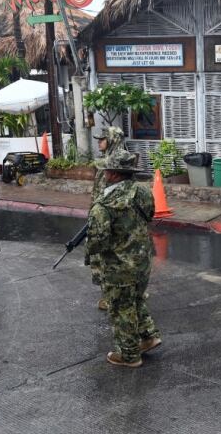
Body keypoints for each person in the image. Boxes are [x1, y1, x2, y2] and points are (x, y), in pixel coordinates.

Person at [86, 149, 161, 368]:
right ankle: (148, 336)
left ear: (116, 174)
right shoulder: (143, 192)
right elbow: (150, 215)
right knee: (135, 298)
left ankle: (129, 354)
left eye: (107, 169)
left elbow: (97, 242)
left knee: (120, 307)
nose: (105, 173)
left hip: (119, 266)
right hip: (142, 259)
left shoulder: (104, 205)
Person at [87, 126, 127, 311]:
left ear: (112, 140)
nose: (99, 141)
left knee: (106, 257)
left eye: (103, 139)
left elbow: (106, 194)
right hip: (114, 218)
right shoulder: (120, 160)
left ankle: (111, 297)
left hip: (108, 218)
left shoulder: (112, 163)